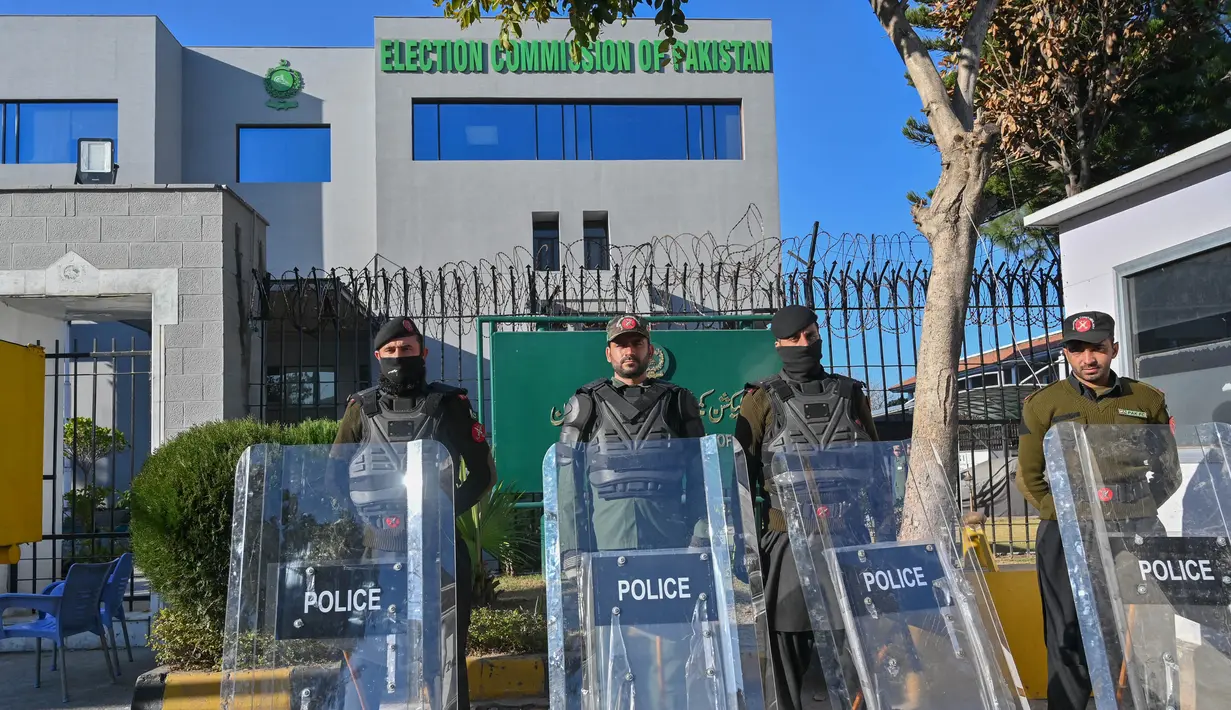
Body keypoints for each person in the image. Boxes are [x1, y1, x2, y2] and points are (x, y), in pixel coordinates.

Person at [1016, 310, 1180, 710]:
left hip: (1135, 530)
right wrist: (1063, 512)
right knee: (1067, 631)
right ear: (1066, 354)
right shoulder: (1045, 404)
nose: (1088, 359)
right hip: (1068, 531)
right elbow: (1030, 475)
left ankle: (1150, 704)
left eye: (1098, 349)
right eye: (1077, 350)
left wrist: (1136, 506)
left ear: (1114, 349)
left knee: (1148, 628)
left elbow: (1168, 471)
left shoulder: (1146, 400)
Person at [331, 317, 496, 710]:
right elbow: (335, 475)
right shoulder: (361, 410)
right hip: (378, 555)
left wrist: (442, 510)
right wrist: (365, 520)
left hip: (440, 550)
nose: (399, 358)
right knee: (378, 649)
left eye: (407, 350)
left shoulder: (449, 406)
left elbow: (483, 474)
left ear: (423, 354)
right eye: (391, 351)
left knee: (446, 653)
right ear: (378, 357)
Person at [554, 314, 708, 709]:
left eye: (636, 343)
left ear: (649, 351)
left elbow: (701, 473)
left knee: (670, 649)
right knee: (609, 649)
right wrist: (573, 548)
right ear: (609, 353)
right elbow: (568, 480)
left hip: (669, 545)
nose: (629, 350)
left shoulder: (678, 401)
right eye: (621, 344)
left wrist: (700, 535)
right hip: (607, 546)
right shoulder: (585, 402)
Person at [733, 305, 880, 710]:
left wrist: (883, 533)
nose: (805, 344)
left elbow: (876, 467)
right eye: (795, 338)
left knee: (855, 644)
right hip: (786, 540)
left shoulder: (851, 393)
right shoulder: (760, 399)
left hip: (847, 539)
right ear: (779, 343)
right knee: (787, 651)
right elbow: (740, 479)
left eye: (811, 335)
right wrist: (743, 546)